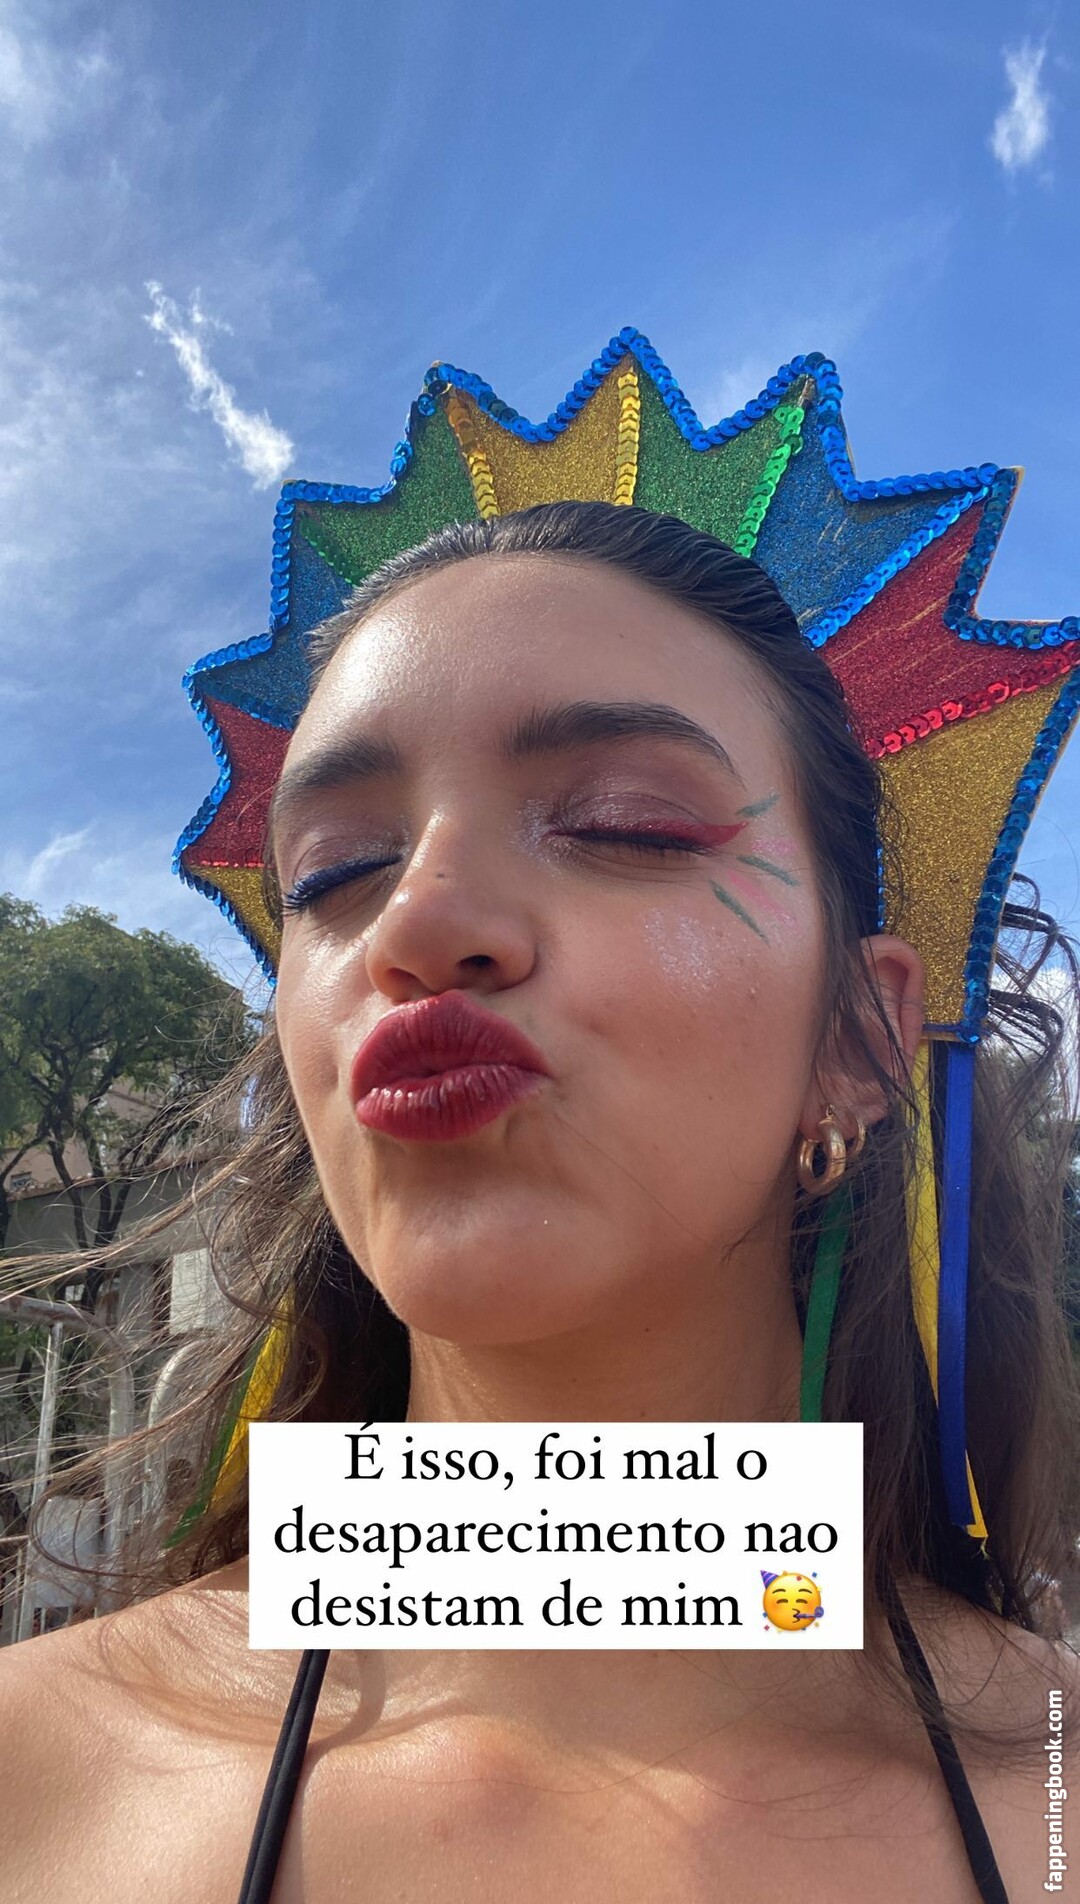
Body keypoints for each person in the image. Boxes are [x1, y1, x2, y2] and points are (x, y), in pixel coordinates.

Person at [2, 345, 1079, 1902]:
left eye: (624, 824)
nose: (417, 921)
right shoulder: (33, 1772)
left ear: (856, 1035)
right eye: (333, 872)